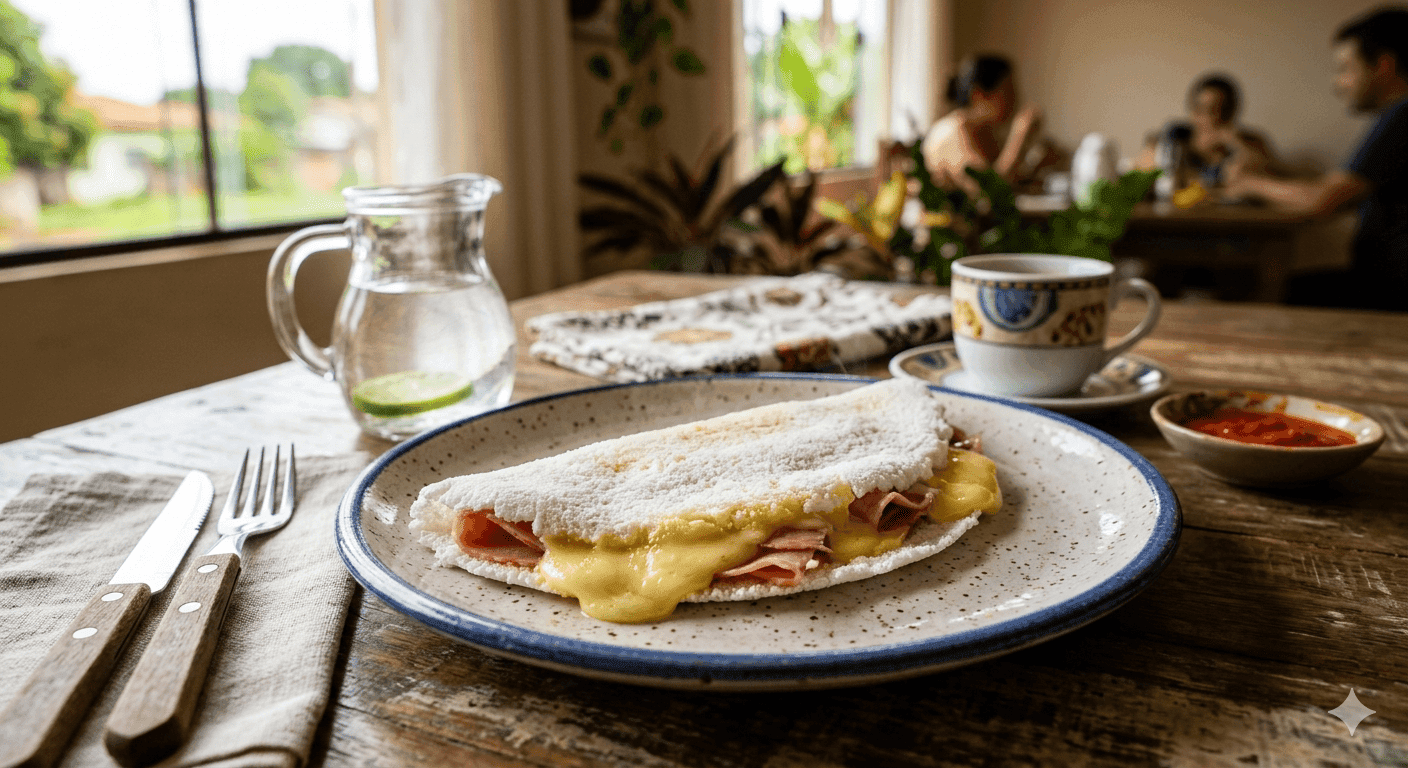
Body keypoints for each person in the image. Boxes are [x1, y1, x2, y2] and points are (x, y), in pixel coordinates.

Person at [1225, 7, 1408, 311]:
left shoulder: (1401, 118)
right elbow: (1340, 191)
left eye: (1346, 69)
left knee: (1267, 290)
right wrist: (1269, 175)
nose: (1339, 84)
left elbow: (1322, 200)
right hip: (1387, 282)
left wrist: (1247, 183)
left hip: (1391, 291)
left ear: (1383, 66)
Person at [920, 55, 1054, 198]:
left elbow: (1006, 182)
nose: (1015, 101)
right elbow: (985, 191)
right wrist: (1019, 137)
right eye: (1008, 93)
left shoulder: (987, 132)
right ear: (979, 95)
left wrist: (1036, 167)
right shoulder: (952, 131)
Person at [1137, 73, 1279, 190]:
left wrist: (1237, 144)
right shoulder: (1172, 140)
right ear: (1192, 112)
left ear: (1233, 112)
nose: (1213, 119)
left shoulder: (1250, 142)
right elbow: (1144, 174)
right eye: (1203, 110)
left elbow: (1274, 175)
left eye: (1223, 111)